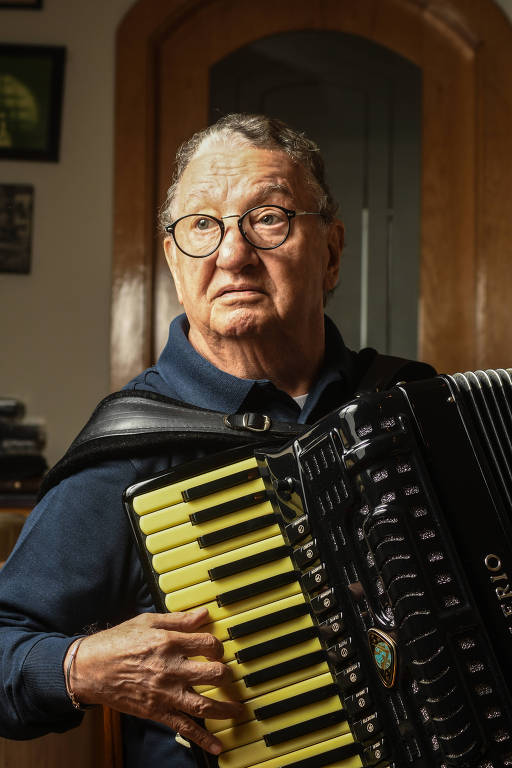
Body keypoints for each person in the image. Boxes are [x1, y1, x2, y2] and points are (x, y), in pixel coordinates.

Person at [0, 114, 433, 767]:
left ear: (333, 252)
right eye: (202, 225)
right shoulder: (132, 447)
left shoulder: (410, 407)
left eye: (268, 218)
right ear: (176, 262)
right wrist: (81, 665)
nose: (232, 253)